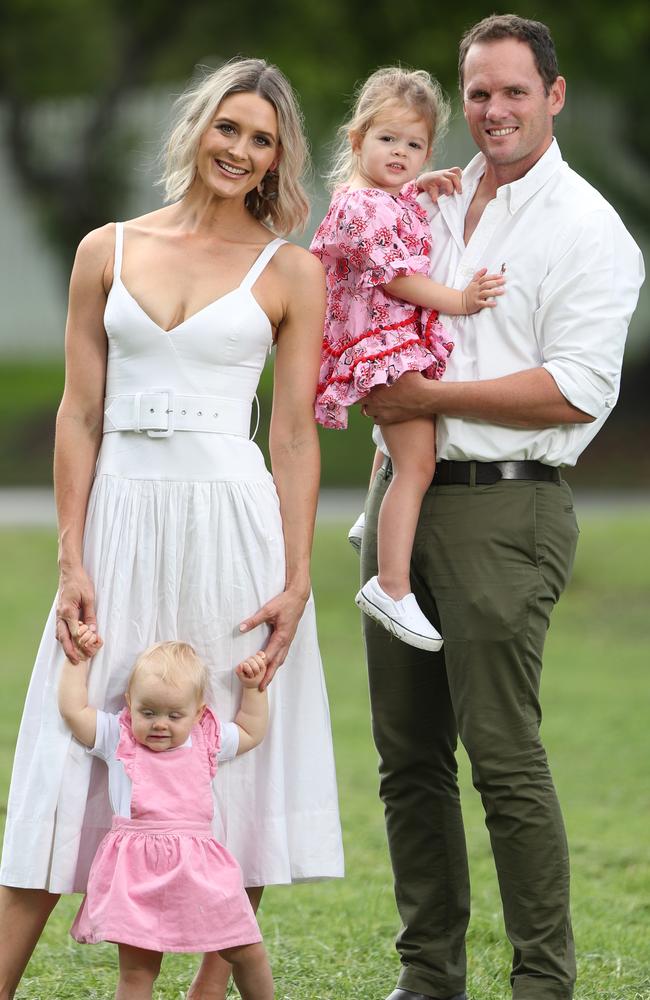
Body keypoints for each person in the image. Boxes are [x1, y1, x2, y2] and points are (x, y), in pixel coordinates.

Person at [0, 57, 344, 999]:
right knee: (67, 752)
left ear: (278, 161)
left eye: (262, 140)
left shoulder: (292, 271)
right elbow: (77, 413)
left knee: (231, 748)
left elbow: (293, 436)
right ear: (197, 128)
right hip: (119, 515)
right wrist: (71, 556)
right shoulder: (104, 248)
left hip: (233, 521)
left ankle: (202, 994)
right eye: (228, 128)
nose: (240, 150)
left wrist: (297, 576)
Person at [359, 16, 644, 1000]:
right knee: (406, 761)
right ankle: (427, 975)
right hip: (399, 498)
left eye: (513, 92)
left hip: (501, 509)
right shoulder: (429, 202)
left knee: (501, 759)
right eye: (477, 93)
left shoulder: (586, 231)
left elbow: (573, 389)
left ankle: (540, 984)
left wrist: (426, 400)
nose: (491, 111)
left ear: (553, 96)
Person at [310, 67, 504, 652]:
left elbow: (394, 212)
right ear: (356, 140)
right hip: (384, 342)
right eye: (387, 139)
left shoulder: (380, 199)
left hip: (389, 342)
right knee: (417, 466)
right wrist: (461, 302)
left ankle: (375, 517)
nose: (400, 153)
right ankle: (389, 584)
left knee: (406, 449)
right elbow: (398, 278)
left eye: (414, 145)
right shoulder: (363, 208)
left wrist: (420, 187)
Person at [58, 636, 273, 999]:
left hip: (200, 867)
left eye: (175, 716)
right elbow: (73, 710)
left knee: (245, 947)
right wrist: (78, 660)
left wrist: (253, 689)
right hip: (137, 872)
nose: (160, 725)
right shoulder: (117, 737)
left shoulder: (206, 738)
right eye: (148, 712)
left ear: (198, 712)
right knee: (138, 970)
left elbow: (252, 731)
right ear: (129, 705)